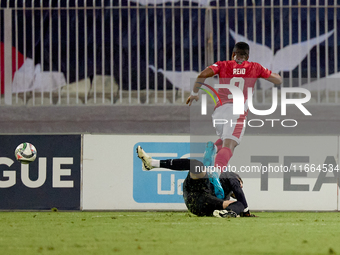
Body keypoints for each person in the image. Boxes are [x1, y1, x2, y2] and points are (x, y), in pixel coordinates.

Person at [185, 42, 282, 214]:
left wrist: (194, 93)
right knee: (231, 145)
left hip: (220, 112)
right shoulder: (255, 67)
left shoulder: (223, 65)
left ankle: (214, 148)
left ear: (233, 54)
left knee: (225, 141)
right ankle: (217, 171)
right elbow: (277, 80)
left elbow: (201, 75)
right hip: (237, 112)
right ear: (248, 56)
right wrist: (276, 75)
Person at [137, 145, 255, 218]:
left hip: (202, 202)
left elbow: (239, 200)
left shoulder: (228, 191)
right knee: (196, 165)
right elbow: (236, 187)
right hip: (198, 192)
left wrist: (242, 208)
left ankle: (152, 164)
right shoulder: (230, 177)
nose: (240, 187)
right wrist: (246, 210)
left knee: (238, 204)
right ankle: (152, 163)